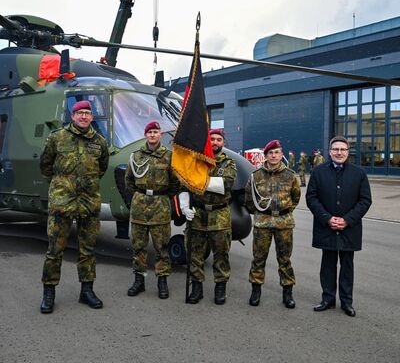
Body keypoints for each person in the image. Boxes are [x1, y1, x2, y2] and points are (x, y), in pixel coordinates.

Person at [39, 100, 109, 314]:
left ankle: (86, 291)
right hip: (62, 202)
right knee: (54, 250)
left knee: (87, 249)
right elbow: (45, 166)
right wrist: (63, 184)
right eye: (80, 113)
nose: (84, 117)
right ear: (73, 115)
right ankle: (49, 292)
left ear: (92, 117)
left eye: (88, 113)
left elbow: (102, 168)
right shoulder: (56, 138)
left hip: (88, 202)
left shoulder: (99, 142)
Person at [306, 136, 372, 317]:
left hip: (349, 228)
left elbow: (365, 200)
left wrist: (347, 220)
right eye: (336, 149)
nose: (339, 152)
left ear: (347, 152)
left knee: (347, 266)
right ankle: (327, 299)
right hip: (326, 227)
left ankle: (346, 302)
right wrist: (327, 218)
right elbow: (311, 198)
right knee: (327, 264)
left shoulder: (359, 174)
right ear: (329, 151)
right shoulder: (318, 172)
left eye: (343, 149)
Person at [179, 128, 237, 305]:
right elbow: (184, 185)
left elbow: (225, 185)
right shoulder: (196, 161)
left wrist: (197, 181)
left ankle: (220, 288)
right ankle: (197, 288)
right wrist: (183, 206)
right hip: (197, 213)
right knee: (194, 254)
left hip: (219, 215)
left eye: (219, 139)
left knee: (221, 254)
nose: (215, 142)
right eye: (212, 139)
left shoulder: (228, 163)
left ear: (223, 142)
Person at [125, 121, 180, 299]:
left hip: (160, 206)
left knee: (161, 247)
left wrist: (161, 195)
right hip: (139, 206)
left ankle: (162, 282)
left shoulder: (169, 157)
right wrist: (141, 195)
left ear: (160, 134)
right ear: (145, 135)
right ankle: (138, 281)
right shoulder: (136, 156)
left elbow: (175, 183)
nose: (153, 135)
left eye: (156, 132)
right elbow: (129, 181)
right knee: (138, 246)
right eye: (150, 132)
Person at [245, 140, 300, 308]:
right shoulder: (256, 175)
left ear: (281, 154)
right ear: (266, 155)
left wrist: (283, 212)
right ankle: (256, 290)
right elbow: (249, 199)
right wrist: (261, 214)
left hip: (284, 223)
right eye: (270, 153)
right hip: (263, 223)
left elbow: (295, 198)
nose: (274, 156)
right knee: (258, 258)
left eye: (277, 152)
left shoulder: (290, 175)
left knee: (285, 259)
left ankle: (287, 292)